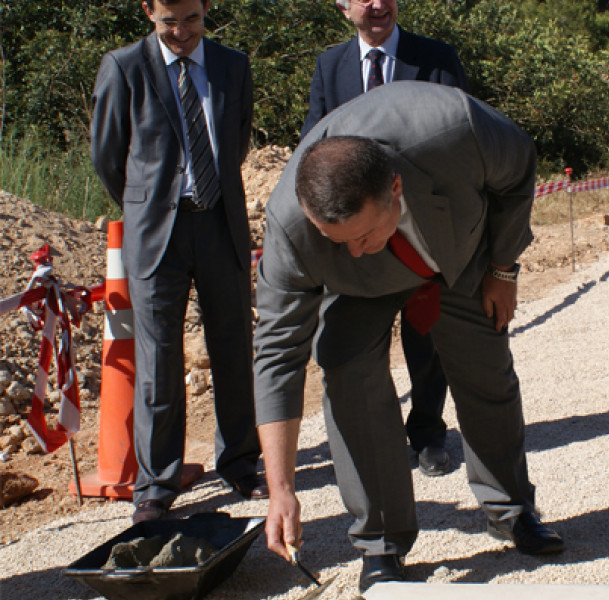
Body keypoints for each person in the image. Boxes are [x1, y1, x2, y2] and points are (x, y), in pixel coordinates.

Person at [254, 81, 564, 592]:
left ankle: (511, 508)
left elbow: (518, 170)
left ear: (395, 187)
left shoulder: (456, 129)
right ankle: (381, 543)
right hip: (359, 292)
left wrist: (503, 268)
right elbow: (276, 356)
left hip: (456, 253)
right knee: (345, 368)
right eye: (339, 240)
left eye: (363, 235)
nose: (354, 250)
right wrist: (281, 488)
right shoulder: (291, 228)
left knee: (486, 370)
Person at [90, 0, 267, 524]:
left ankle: (238, 463)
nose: (182, 32)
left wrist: (208, 190)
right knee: (159, 362)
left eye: (192, 19)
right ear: (148, 11)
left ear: (207, 8)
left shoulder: (233, 65)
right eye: (170, 21)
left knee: (233, 347)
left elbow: (235, 138)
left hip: (220, 223)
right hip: (155, 236)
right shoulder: (124, 67)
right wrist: (148, 203)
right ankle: (156, 484)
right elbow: (108, 155)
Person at [299, 0, 470, 477]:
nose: (377, 4)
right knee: (358, 342)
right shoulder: (330, 66)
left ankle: (430, 434)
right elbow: (313, 142)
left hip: (419, 232)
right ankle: (376, 440)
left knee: (426, 335)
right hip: (359, 240)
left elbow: (461, 139)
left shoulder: (435, 58)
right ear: (342, 5)